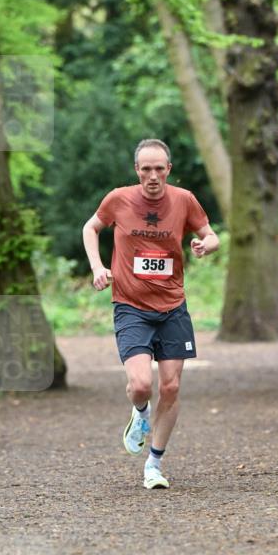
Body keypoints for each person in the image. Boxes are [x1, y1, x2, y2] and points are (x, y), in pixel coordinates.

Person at [82, 139, 219, 489]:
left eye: (159, 168)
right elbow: (91, 227)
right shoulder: (119, 199)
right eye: (146, 169)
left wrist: (207, 244)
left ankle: (154, 465)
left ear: (168, 170)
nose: (153, 175)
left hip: (173, 306)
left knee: (171, 387)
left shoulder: (184, 200)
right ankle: (140, 414)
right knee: (142, 385)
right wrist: (98, 267)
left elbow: (211, 234)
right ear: (137, 171)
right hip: (131, 306)